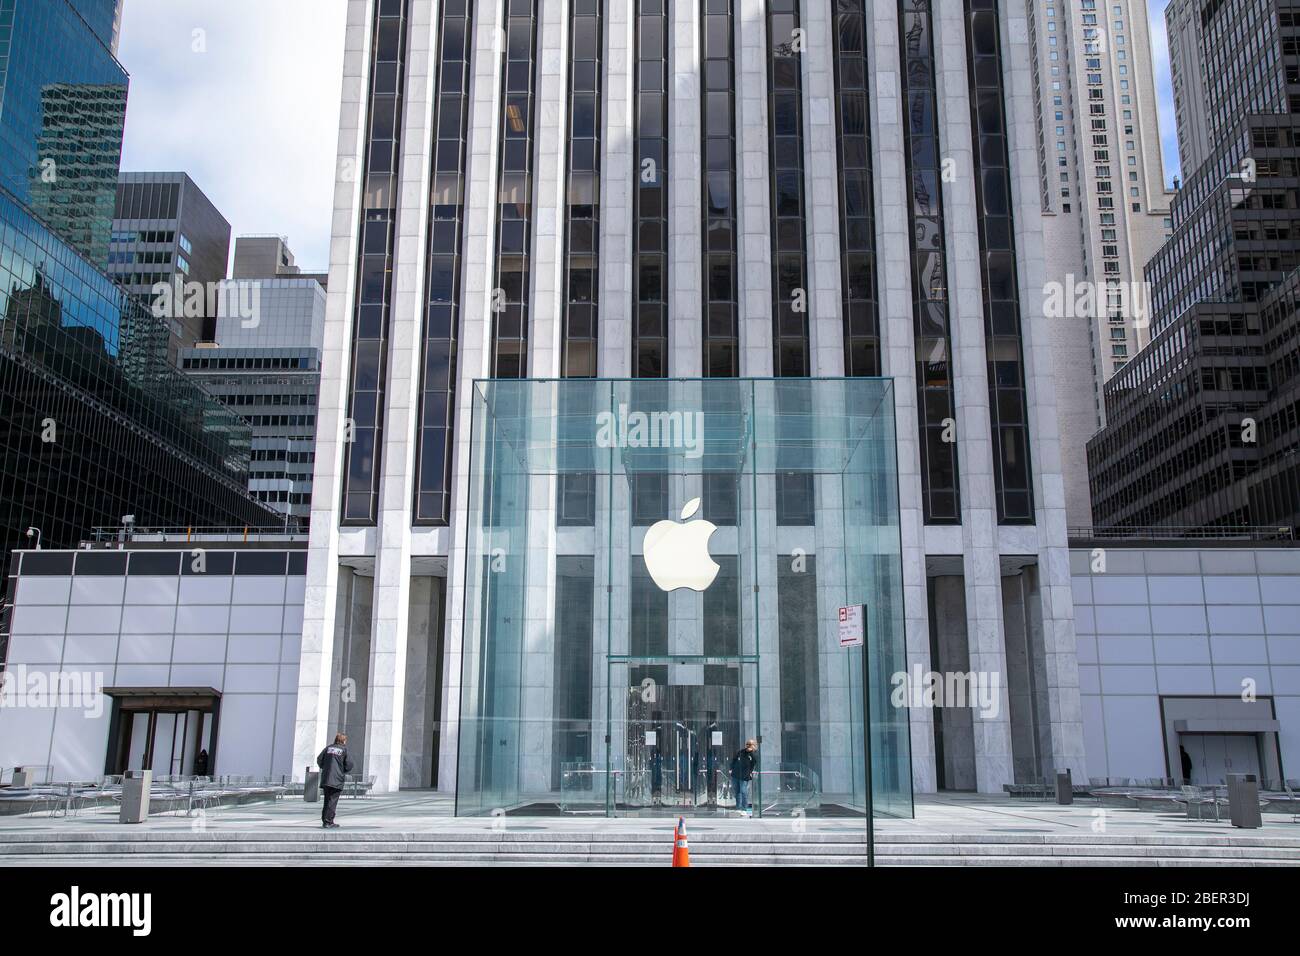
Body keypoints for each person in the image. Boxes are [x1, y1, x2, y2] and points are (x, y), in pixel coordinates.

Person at [316, 733, 353, 829]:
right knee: (332, 801)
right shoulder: (344, 750)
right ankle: (329, 822)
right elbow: (349, 764)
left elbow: (319, 759)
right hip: (337, 779)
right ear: (343, 740)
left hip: (326, 778)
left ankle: (325, 820)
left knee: (327, 800)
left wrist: (324, 767)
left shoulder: (328, 748)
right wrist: (342, 771)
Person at [730, 738, 758, 815]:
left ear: (754, 746)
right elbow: (734, 759)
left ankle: (744, 808)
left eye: (750, 744)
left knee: (743, 791)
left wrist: (751, 752)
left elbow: (755, 761)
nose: (748, 746)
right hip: (736, 774)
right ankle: (738, 807)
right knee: (737, 791)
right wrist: (731, 768)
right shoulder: (741, 752)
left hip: (745, 775)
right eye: (747, 744)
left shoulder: (753, 754)